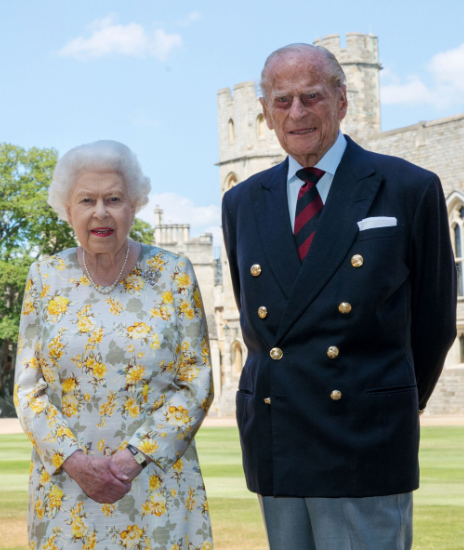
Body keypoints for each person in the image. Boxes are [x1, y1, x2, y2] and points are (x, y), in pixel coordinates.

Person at [221, 44, 457, 550]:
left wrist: (383, 405)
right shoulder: (240, 201)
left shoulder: (408, 188)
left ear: (343, 101)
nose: (297, 112)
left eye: (312, 96)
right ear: (264, 112)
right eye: (281, 101)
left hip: (365, 440)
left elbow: (435, 323)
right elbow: (257, 319)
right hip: (278, 437)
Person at [15, 140, 214, 550]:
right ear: (67, 209)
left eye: (114, 199)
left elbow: (196, 381)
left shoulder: (174, 273)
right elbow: (27, 387)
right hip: (67, 491)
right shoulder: (44, 277)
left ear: (134, 206)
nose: (100, 212)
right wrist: (74, 461)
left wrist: (134, 457)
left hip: (155, 484)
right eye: (87, 199)